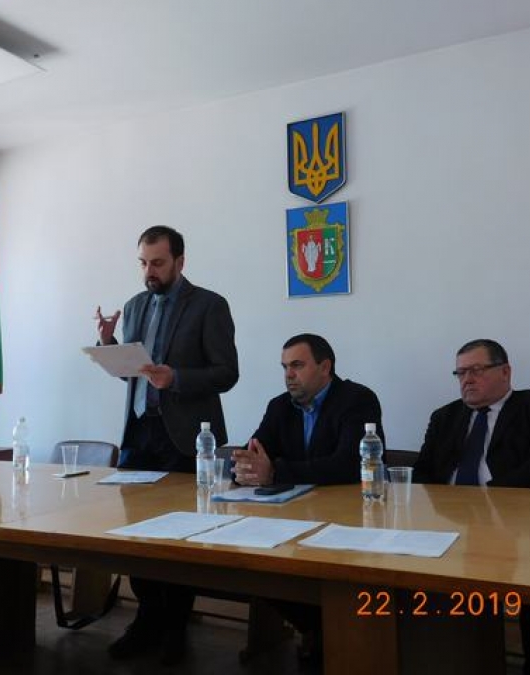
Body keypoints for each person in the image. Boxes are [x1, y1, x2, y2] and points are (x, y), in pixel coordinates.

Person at [95, 225, 238, 665]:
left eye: (157, 263)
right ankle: (147, 620)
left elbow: (227, 373)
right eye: (143, 263)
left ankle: (175, 627)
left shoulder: (209, 305)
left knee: (179, 539)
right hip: (139, 433)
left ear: (180, 261)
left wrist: (177, 378)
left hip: (188, 439)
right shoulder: (135, 306)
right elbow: (132, 373)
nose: (149, 272)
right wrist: (108, 344)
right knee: (136, 535)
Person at [413, 338, 530, 675]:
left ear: (505, 372)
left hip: (528, 530)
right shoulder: (445, 417)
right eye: (460, 373)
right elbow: (423, 474)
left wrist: (482, 499)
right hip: (454, 529)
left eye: (476, 370)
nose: (467, 380)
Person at [233, 333, 384, 668]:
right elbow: (254, 451)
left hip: (347, 520)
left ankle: (331, 636)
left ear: (325, 367)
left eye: (297, 365)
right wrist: (244, 467)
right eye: (285, 367)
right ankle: (317, 630)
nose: (289, 375)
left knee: (328, 579)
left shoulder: (357, 400)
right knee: (261, 567)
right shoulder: (279, 406)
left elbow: (349, 464)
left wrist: (274, 472)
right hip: (292, 519)